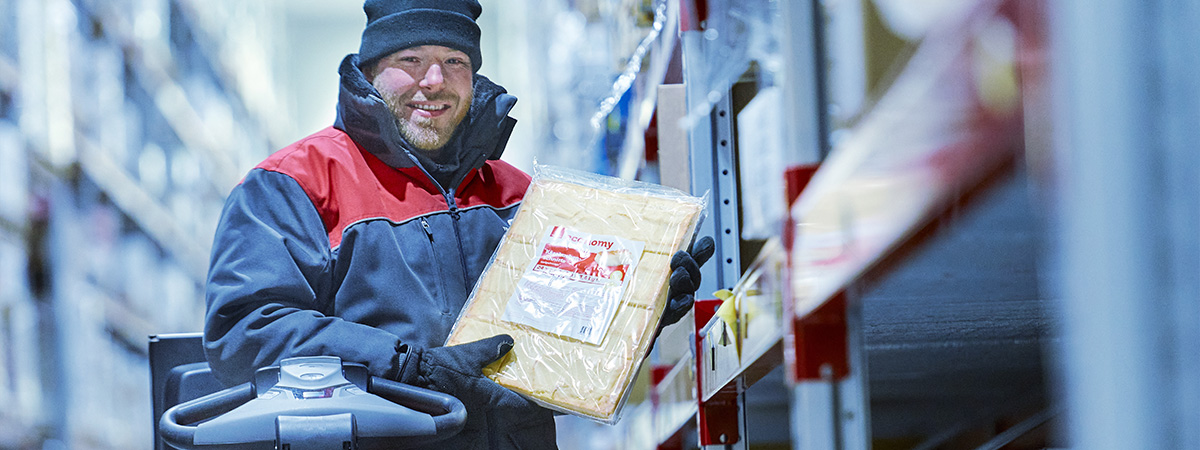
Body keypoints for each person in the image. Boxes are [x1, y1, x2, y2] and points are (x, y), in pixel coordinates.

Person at [202, 1, 714, 449]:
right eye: (410, 61)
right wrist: (407, 366)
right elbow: (245, 332)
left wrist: (631, 315)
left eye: (454, 62)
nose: (434, 82)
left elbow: (553, 358)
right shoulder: (294, 184)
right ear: (371, 71)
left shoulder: (523, 197)